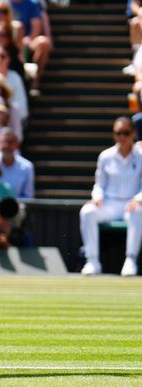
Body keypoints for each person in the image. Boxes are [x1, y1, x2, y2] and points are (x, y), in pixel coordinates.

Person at [79, 117, 142, 276]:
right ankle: (92, 261)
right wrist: (97, 196)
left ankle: (130, 260)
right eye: (118, 133)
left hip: (131, 204)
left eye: (125, 133)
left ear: (133, 134)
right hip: (109, 204)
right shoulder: (105, 156)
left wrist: (138, 198)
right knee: (87, 211)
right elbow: (99, 184)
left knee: (138, 211)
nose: (122, 137)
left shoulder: (141, 155)